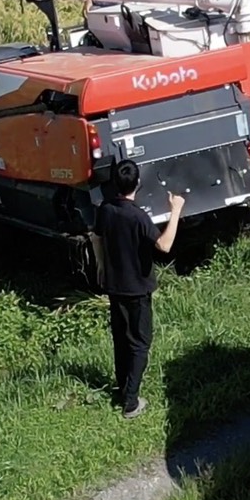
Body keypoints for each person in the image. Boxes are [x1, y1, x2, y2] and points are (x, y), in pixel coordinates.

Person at [90, 159, 184, 418]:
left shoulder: (106, 209)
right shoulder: (138, 216)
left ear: (114, 183)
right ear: (138, 183)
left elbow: (96, 237)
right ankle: (131, 402)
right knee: (140, 343)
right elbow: (164, 245)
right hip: (137, 289)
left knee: (121, 339)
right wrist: (175, 210)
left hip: (114, 285)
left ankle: (123, 389)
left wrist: (101, 266)